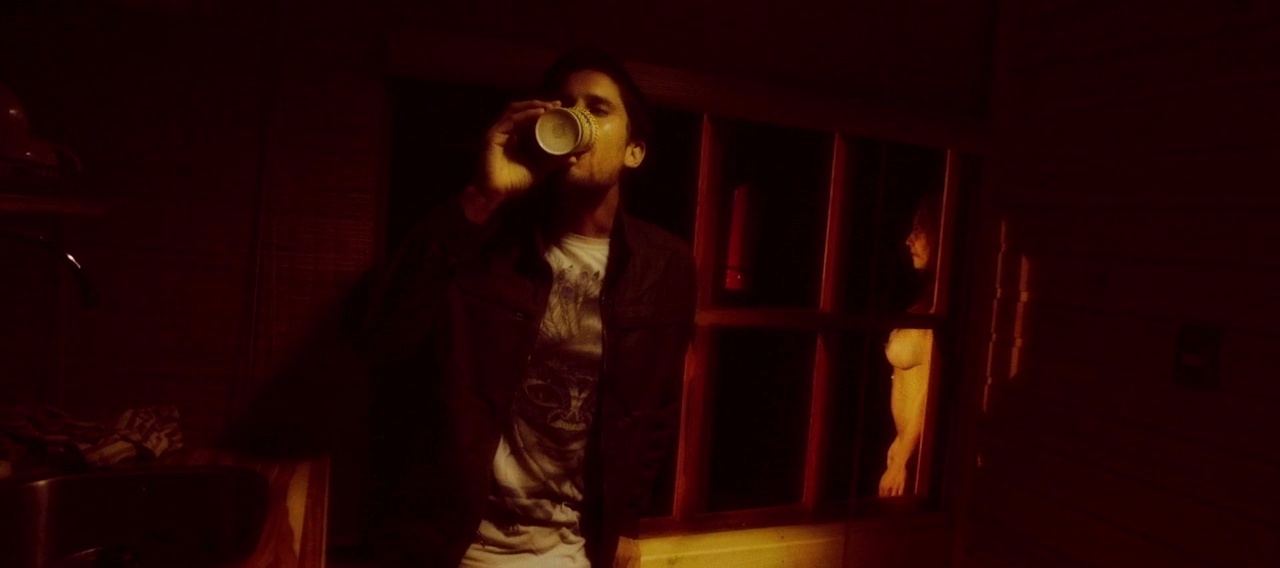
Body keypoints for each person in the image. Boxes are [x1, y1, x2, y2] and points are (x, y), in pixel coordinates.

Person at [355, 49, 696, 568]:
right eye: (563, 105)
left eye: (597, 109)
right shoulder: (483, 239)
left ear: (634, 151)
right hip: (453, 546)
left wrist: (626, 521)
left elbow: (657, 407)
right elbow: (381, 334)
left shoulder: (665, 264)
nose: (575, 117)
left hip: (573, 549)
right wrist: (483, 194)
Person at [879, 194, 940, 497]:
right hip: (906, 448)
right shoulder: (926, 303)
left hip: (917, 458)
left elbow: (929, 391)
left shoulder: (939, 311)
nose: (908, 240)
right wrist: (900, 444)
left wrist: (904, 459)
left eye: (918, 231)